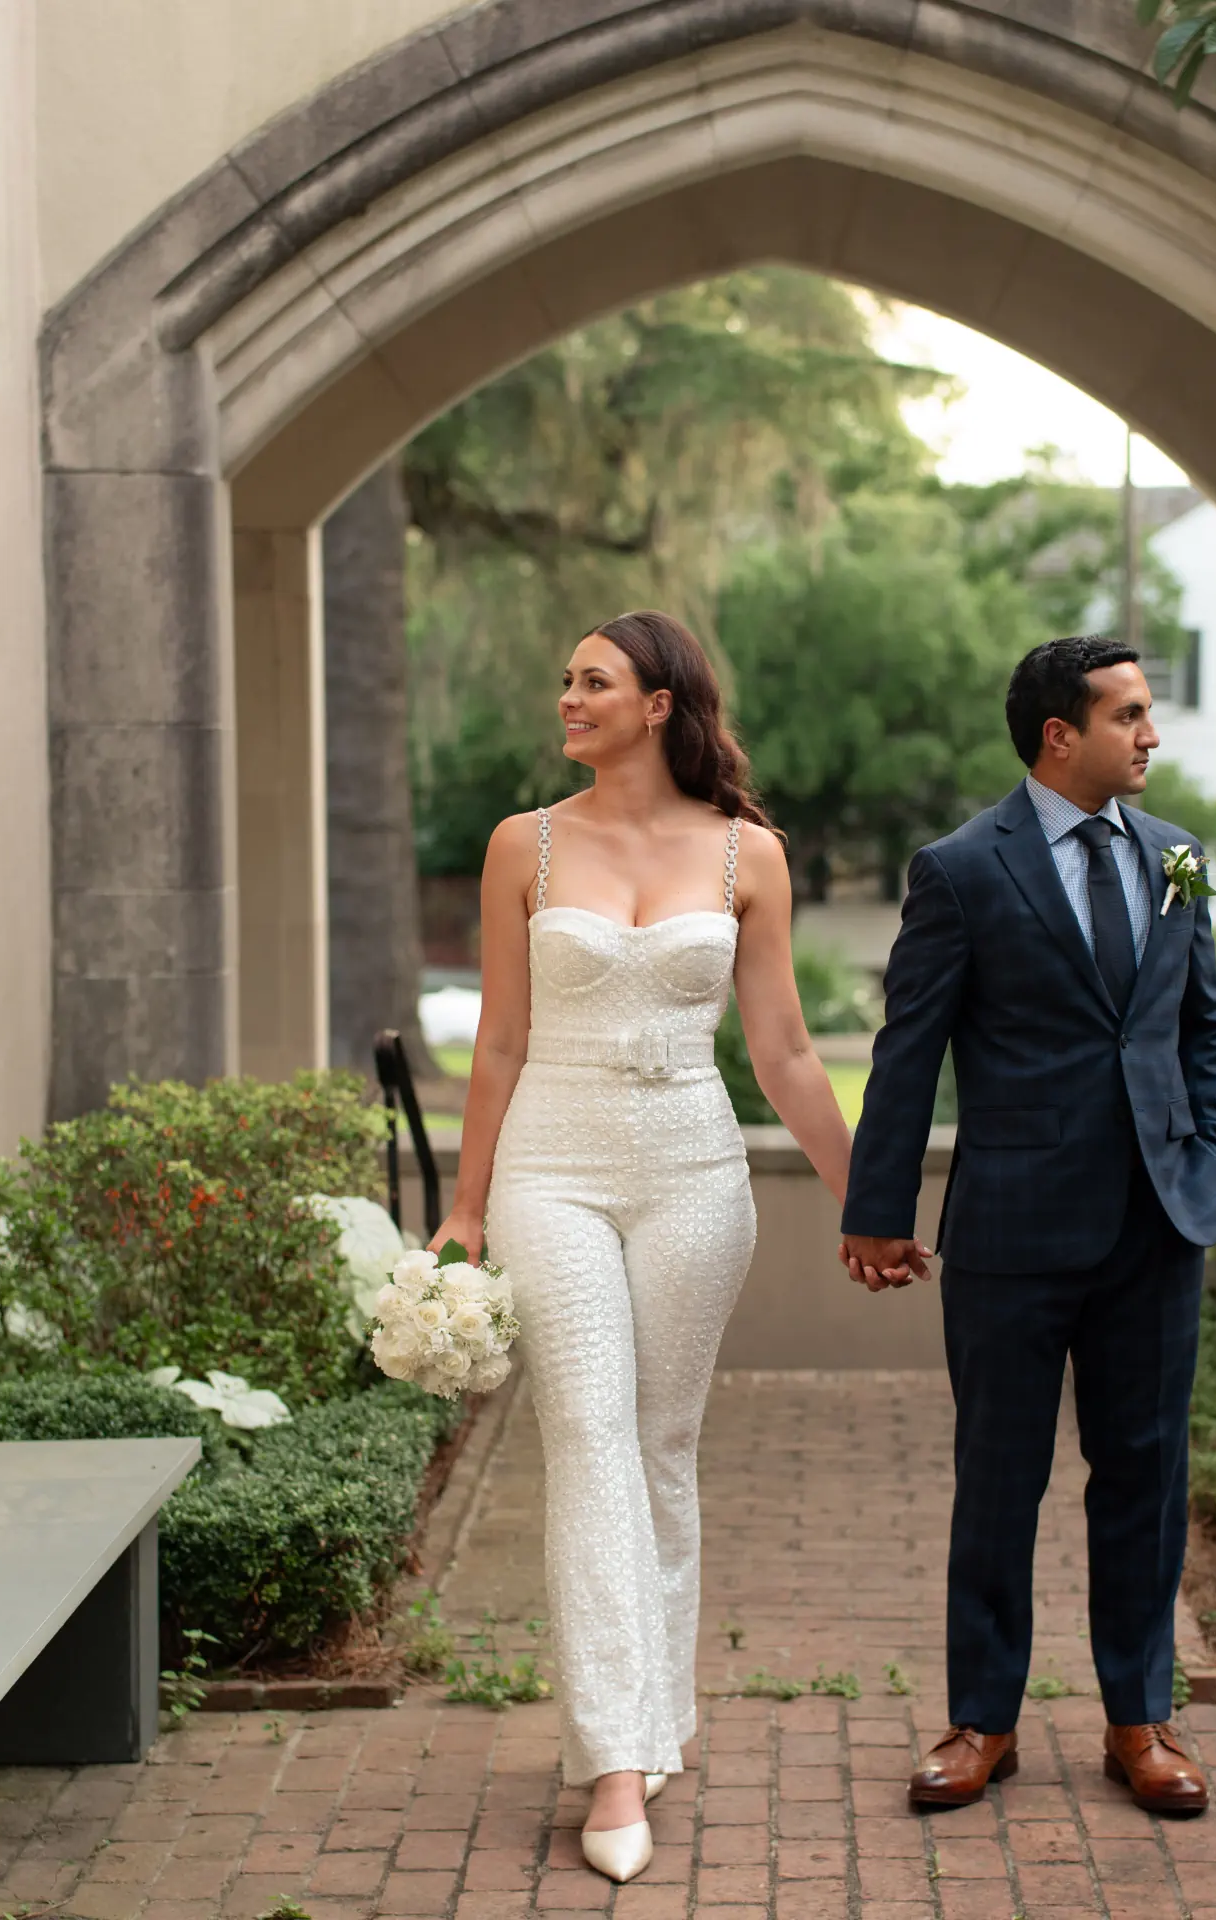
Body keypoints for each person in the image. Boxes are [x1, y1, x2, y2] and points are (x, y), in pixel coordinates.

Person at [429, 611, 876, 1884]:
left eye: (593, 681)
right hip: (551, 1171)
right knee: (586, 1436)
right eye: (565, 677)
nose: (566, 697)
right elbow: (499, 1044)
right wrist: (466, 1205)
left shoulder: (750, 854)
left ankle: (656, 1715)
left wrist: (863, 1196)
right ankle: (612, 1761)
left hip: (693, 1167)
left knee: (661, 1448)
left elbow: (785, 1052)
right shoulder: (525, 845)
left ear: (661, 703)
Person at [839, 635, 1216, 1815]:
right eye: (1129, 715)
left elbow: (1200, 1028)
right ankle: (982, 1722)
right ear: (1060, 735)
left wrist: (1212, 1150)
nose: (1151, 736)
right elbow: (908, 1050)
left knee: (1144, 1478)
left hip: (1157, 1227)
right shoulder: (962, 869)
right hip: (1014, 1230)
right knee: (998, 1477)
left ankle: (1140, 1720)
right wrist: (879, 1210)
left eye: (1149, 714)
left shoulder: (1176, 858)